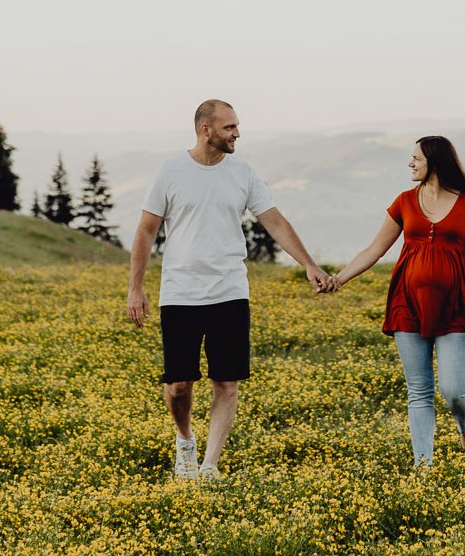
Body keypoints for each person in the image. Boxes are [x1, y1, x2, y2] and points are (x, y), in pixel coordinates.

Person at [125, 99, 328, 480]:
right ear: (206, 130)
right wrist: (135, 288)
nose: (237, 133)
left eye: (236, 126)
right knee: (178, 386)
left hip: (230, 292)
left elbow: (275, 221)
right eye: (229, 127)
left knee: (227, 383)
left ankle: (209, 466)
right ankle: (185, 440)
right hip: (180, 293)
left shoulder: (243, 173)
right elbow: (146, 230)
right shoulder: (170, 172)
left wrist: (309, 264)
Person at [325, 134, 465, 467]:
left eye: (416, 158)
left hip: (455, 306)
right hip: (407, 304)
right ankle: (422, 465)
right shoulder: (404, 201)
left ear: (435, 162)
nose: (410, 164)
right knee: (419, 390)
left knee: (453, 389)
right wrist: (339, 278)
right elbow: (375, 249)